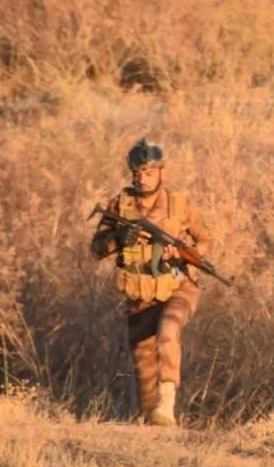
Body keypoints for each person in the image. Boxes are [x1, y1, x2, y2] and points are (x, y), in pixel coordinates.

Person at [89, 139, 212, 426]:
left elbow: (206, 240)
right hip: (140, 292)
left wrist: (184, 253)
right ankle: (153, 424)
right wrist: (119, 238)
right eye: (137, 172)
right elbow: (96, 249)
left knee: (168, 330)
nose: (142, 178)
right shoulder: (119, 206)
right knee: (144, 363)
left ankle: (167, 402)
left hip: (177, 283)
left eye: (148, 172)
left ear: (161, 172)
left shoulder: (180, 204)